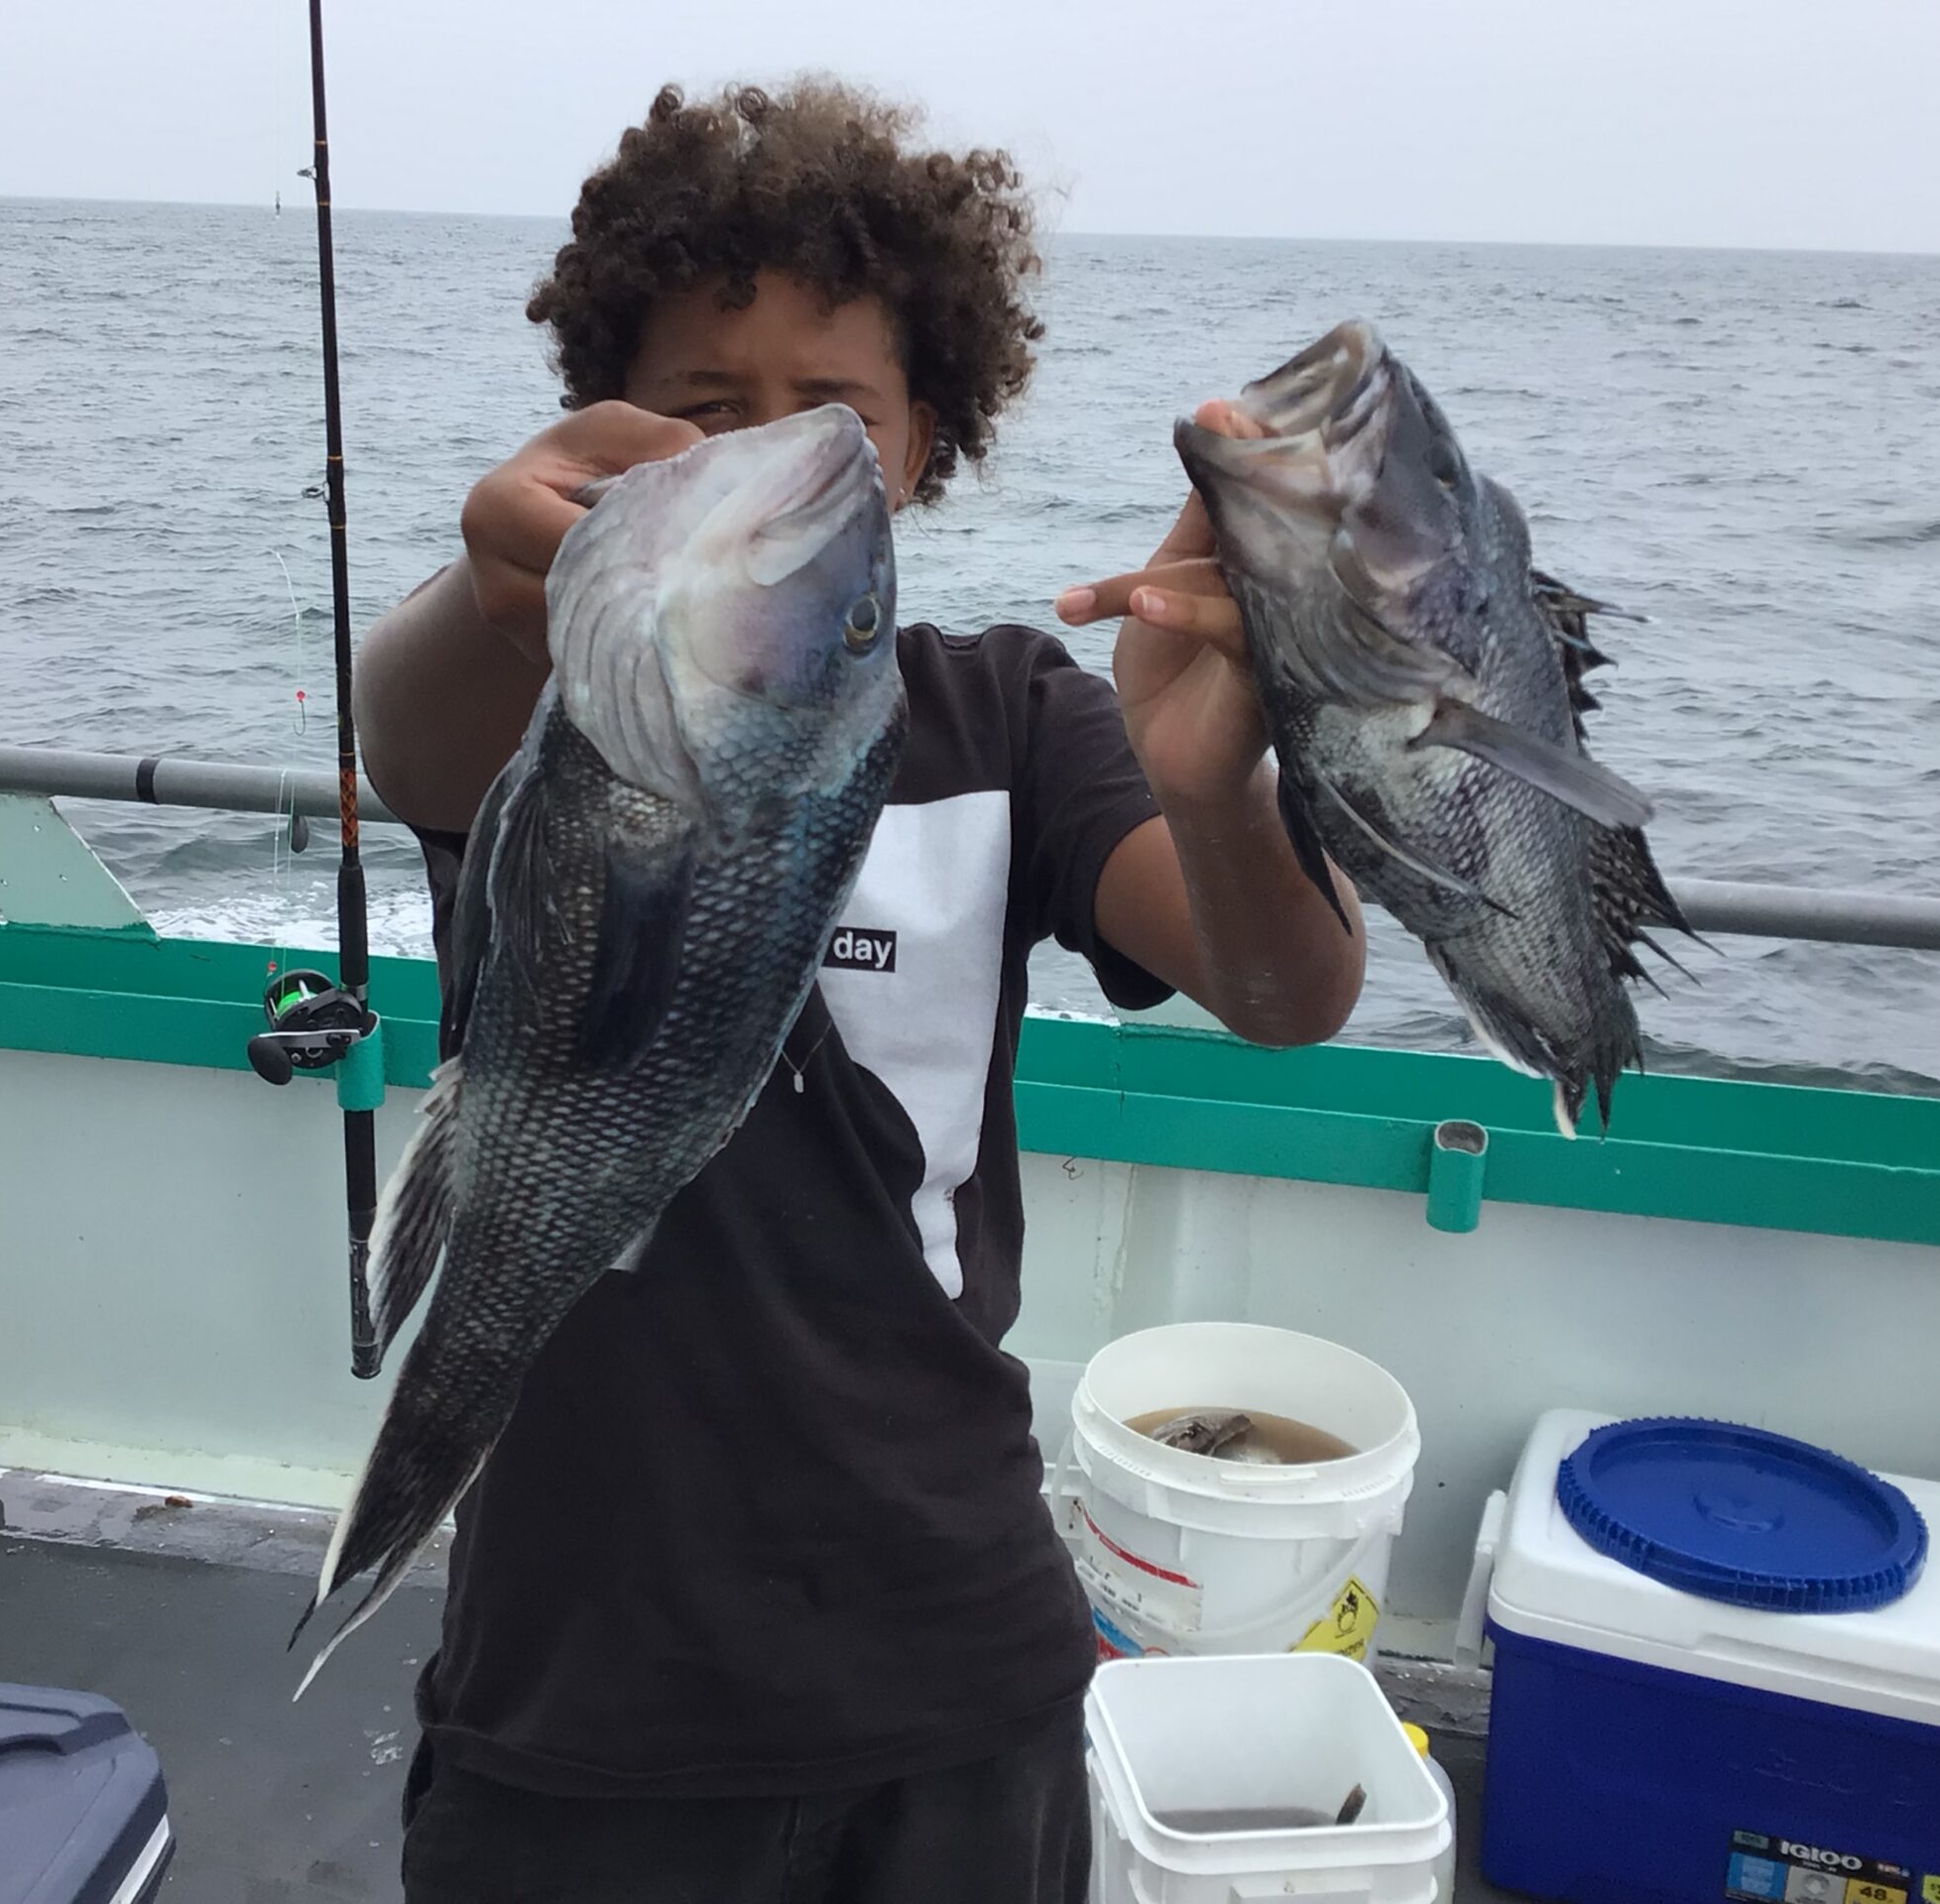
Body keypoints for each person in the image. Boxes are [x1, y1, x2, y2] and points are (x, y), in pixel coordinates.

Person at [354, 77, 1366, 1904]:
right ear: (609, 432)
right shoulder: (571, 702)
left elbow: (1285, 990)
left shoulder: (1008, 715)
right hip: (582, 1671)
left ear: (920, 446)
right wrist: (502, 591)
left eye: (839, 409)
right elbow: (412, 725)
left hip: (952, 1650)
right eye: (702, 407)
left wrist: (1219, 783)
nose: (771, 446)